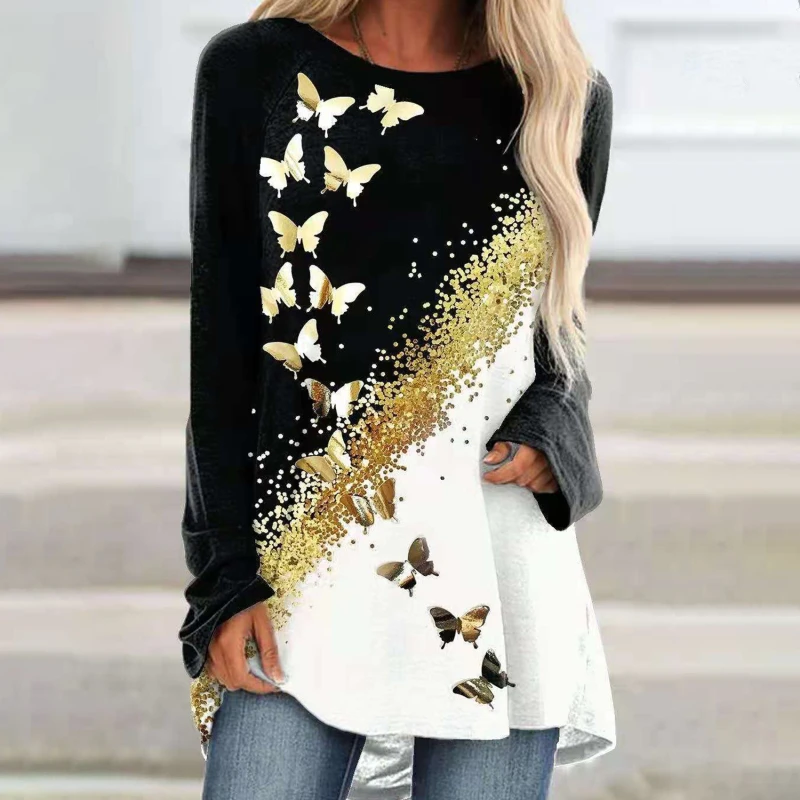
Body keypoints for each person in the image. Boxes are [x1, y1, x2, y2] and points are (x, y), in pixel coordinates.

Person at [180, 1, 616, 798]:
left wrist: (550, 438)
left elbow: (555, 336)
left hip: (500, 563)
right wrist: (224, 575)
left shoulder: (561, 95)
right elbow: (223, 350)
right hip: (305, 562)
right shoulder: (256, 72)